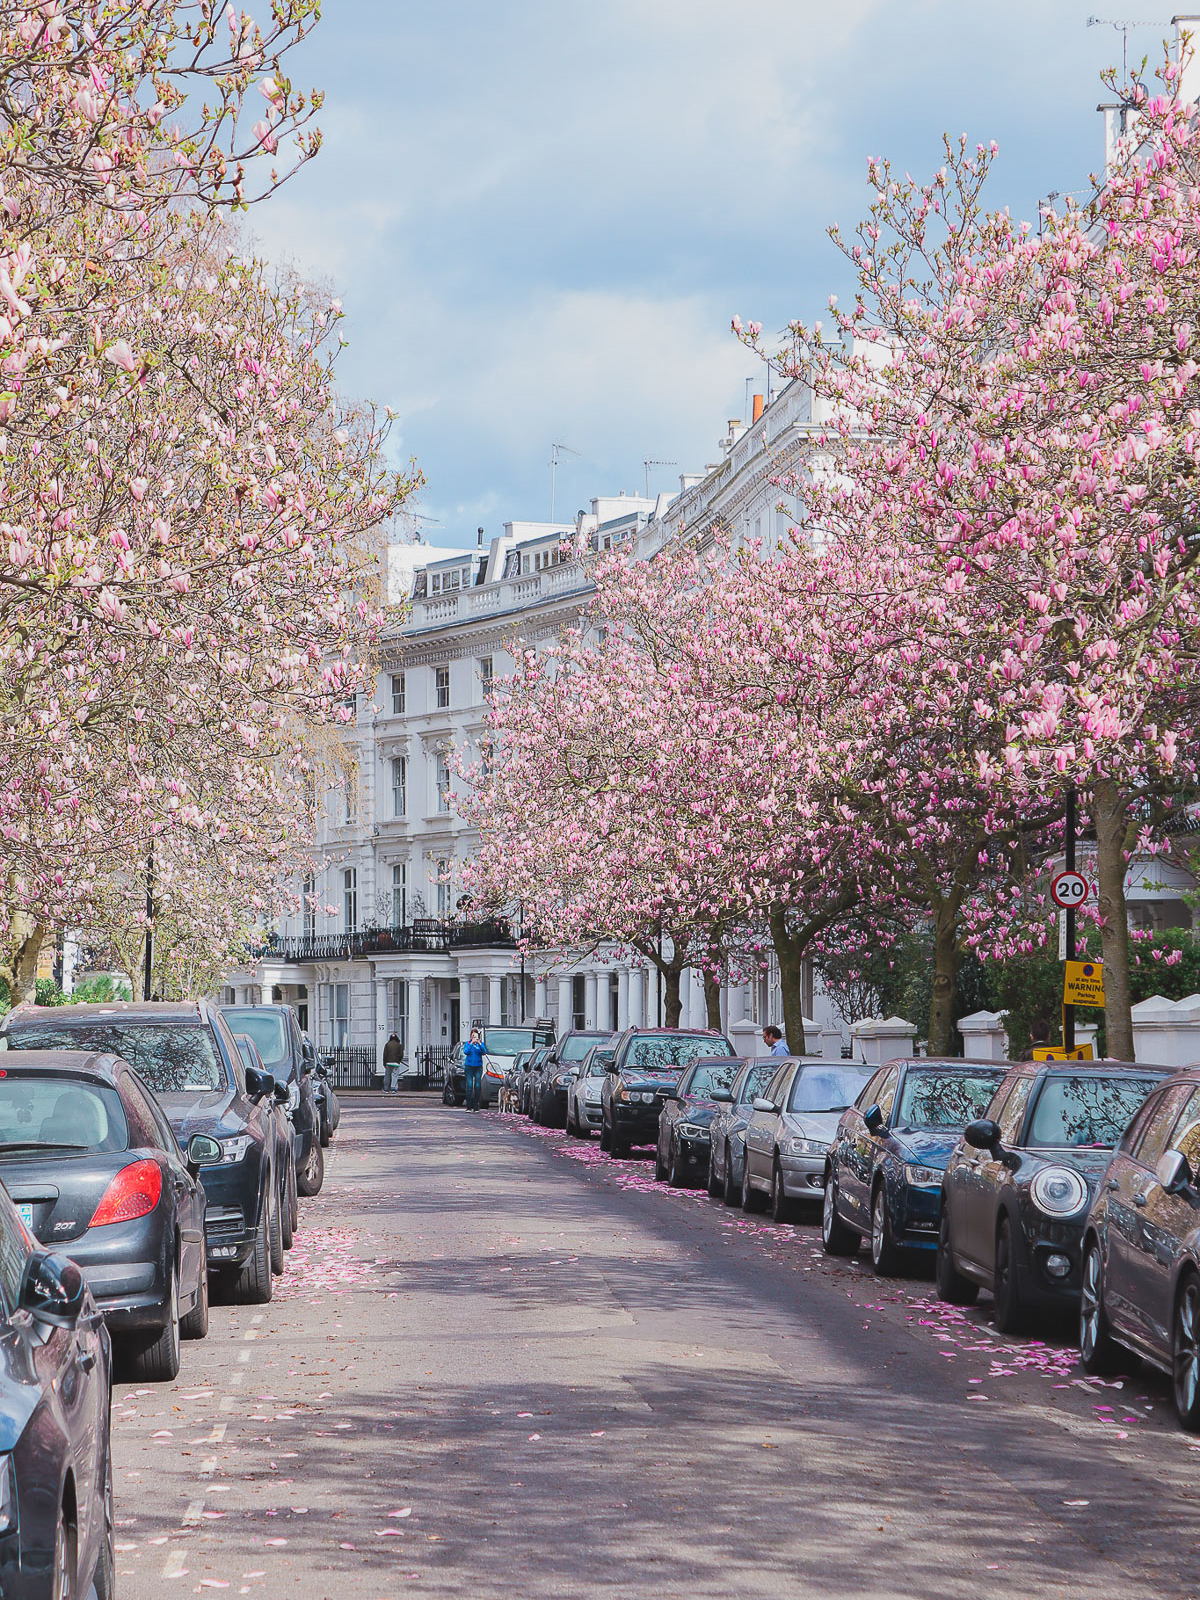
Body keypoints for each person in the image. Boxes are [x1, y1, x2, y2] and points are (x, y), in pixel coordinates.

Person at [462, 1028, 486, 1111]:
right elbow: (465, 1051)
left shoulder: (480, 1044)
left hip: (478, 1066)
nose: (474, 1036)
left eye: (476, 1035)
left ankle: (476, 1106)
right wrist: (471, 1043)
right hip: (469, 1066)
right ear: (470, 1036)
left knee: (477, 1086)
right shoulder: (468, 1044)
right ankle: (468, 1106)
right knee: (469, 1085)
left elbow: (484, 1052)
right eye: (473, 1035)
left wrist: (479, 1043)